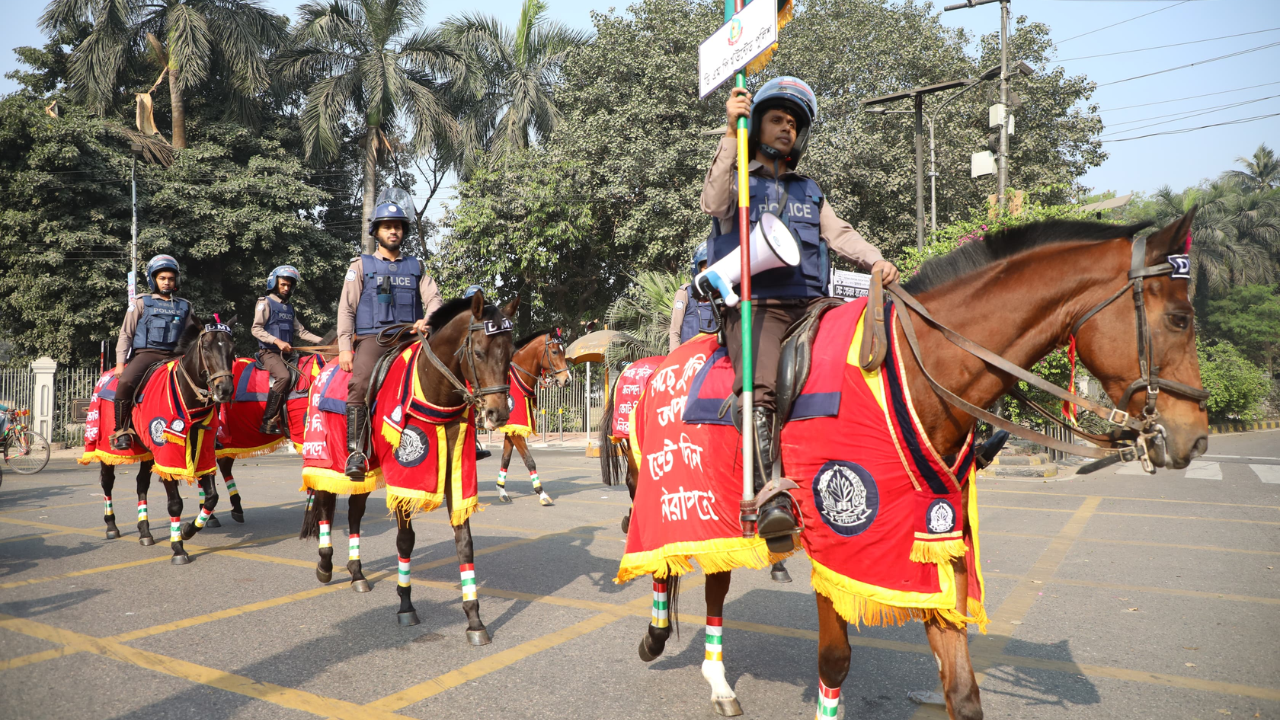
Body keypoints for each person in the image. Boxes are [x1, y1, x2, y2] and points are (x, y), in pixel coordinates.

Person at [701, 77, 900, 551]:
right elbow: (713, 204)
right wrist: (731, 133)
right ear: (757, 126)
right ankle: (770, 496)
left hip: (813, 305)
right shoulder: (737, 181)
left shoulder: (811, 190)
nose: (786, 128)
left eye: (793, 123)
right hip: (757, 308)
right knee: (760, 384)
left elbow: (841, 234)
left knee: (877, 347)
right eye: (776, 119)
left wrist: (876, 259)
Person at [337, 201, 443, 479]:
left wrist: (428, 320)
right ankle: (356, 452)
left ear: (403, 231)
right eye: (387, 227)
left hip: (411, 338)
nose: (393, 231)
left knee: (451, 370)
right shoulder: (360, 265)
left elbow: (434, 300)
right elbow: (346, 308)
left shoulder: (416, 267)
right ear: (376, 231)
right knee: (359, 384)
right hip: (375, 339)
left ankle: (464, 438)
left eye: (397, 227)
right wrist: (345, 348)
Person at [111, 255, 198, 450]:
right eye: (162, 278)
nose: (167, 282)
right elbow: (126, 334)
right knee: (125, 382)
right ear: (153, 279)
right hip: (147, 354)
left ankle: (206, 429)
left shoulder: (185, 306)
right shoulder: (141, 302)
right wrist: (120, 363)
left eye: (170, 278)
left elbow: (192, 337)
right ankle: (122, 430)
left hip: (176, 357)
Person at [250, 265, 324, 434]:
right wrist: (276, 341)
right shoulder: (265, 303)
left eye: (289, 285)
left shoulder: (289, 308)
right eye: (283, 284)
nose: (286, 288)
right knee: (283, 377)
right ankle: (267, 421)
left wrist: (326, 342)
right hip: (269, 353)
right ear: (274, 283)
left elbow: (301, 332)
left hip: (288, 355)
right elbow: (256, 329)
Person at [668, 240, 719, 352]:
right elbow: (675, 330)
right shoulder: (685, 293)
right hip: (688, 356)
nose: (708, 271)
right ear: (697, 267)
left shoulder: (719, 295)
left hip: (711, 355)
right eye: (705, 267)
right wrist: (675, 358)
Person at [463, 284, 493, 461]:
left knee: (471, 410)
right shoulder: (460, 321)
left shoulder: (484, 325)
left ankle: (472, 444)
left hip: (474, 372)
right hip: (459, 369)